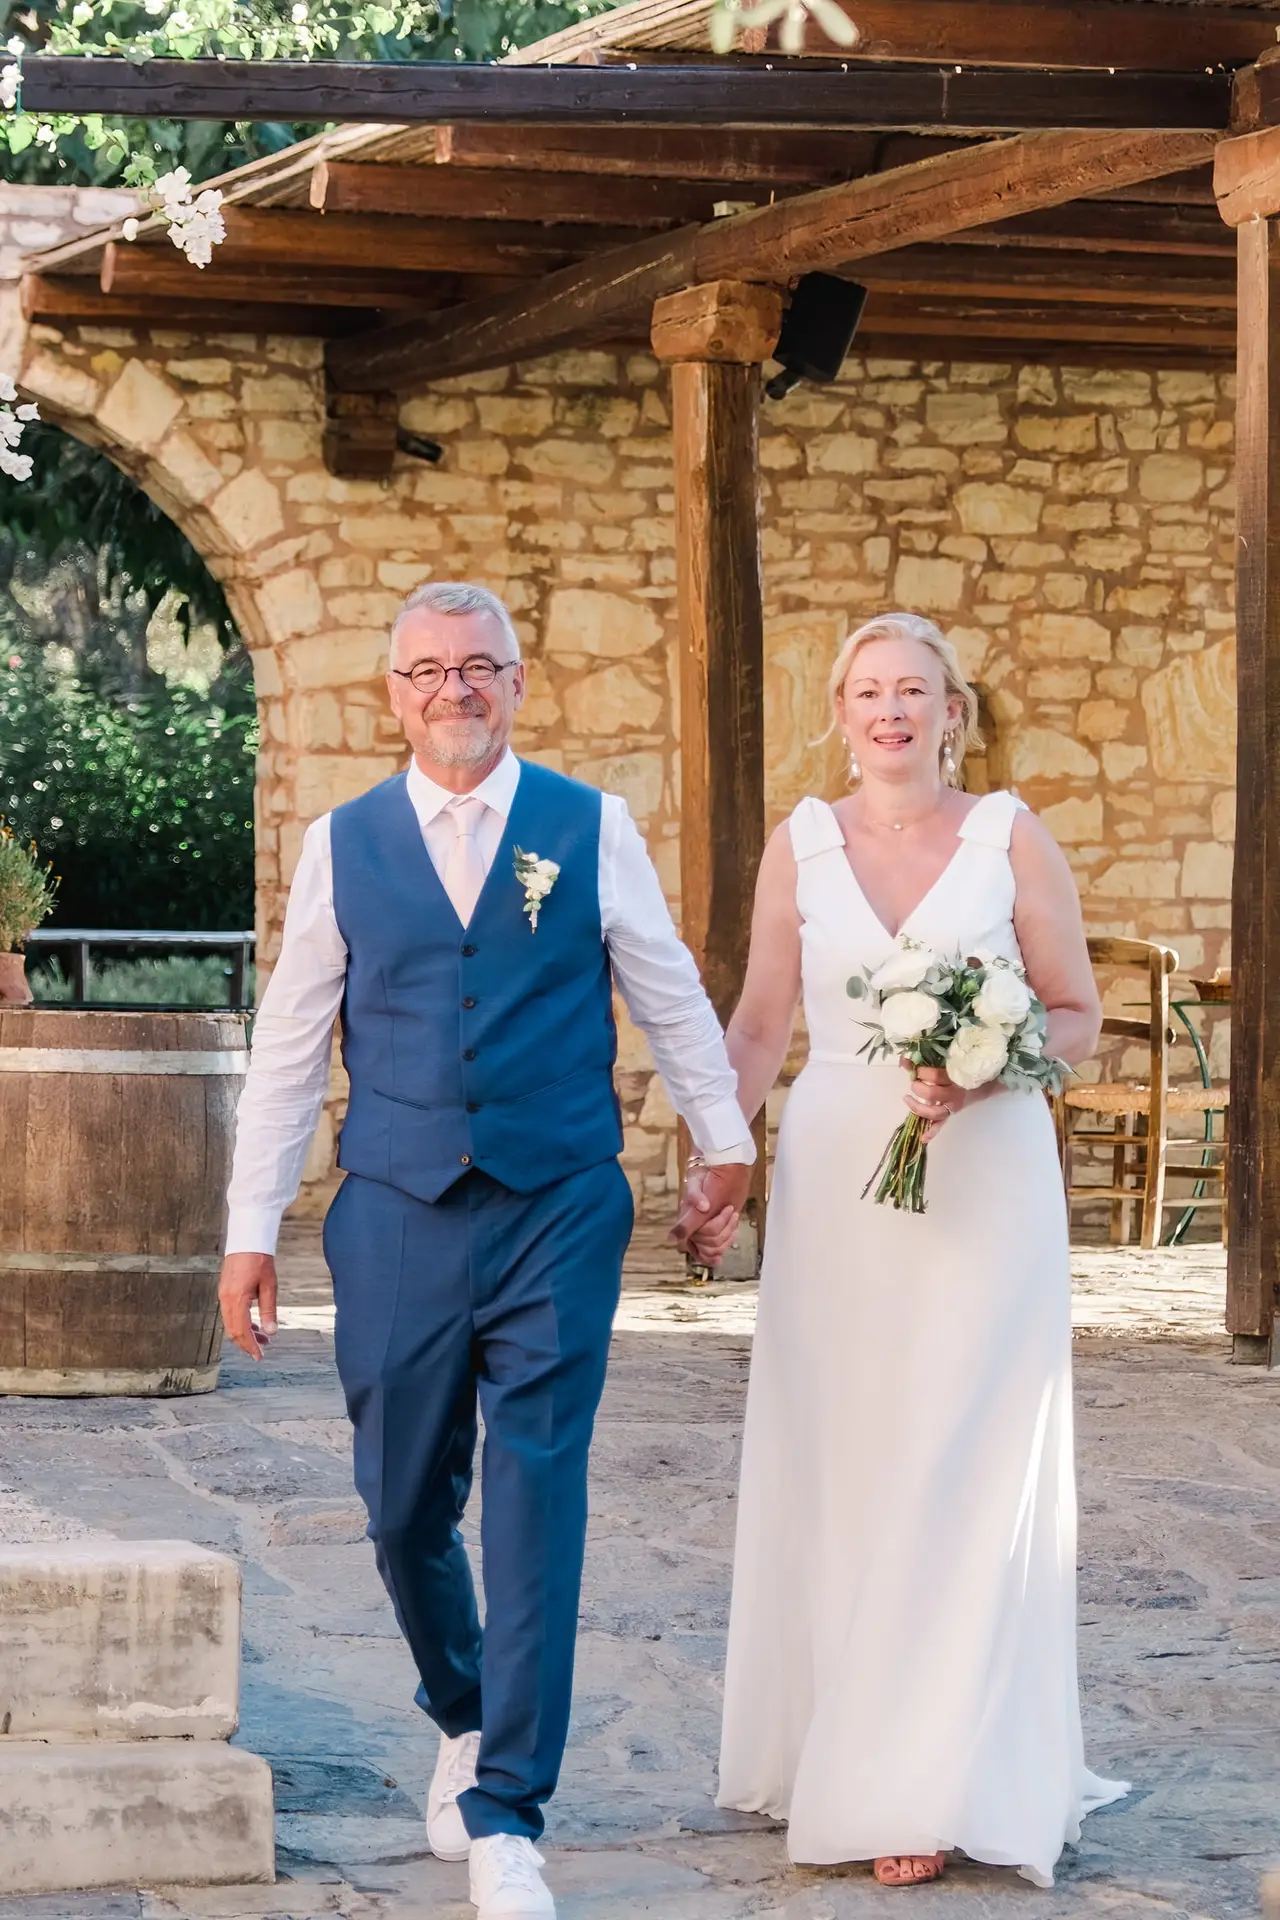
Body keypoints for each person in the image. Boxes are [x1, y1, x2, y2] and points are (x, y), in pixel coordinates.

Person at [218, 581, 751, 1920]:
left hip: (558, 1206)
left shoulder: (589, 826)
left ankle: (511, 1807)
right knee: (403, 1504)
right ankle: (461, 1708)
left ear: (517, 683)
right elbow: (288, 1049)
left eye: (480, 669)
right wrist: (247, 1231)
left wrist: (724, 1135)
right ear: (391, 694)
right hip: (392, 1206)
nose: (454, 691)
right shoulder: (343, 845)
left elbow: (667, 985)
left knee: (535, 1501)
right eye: (428, 672)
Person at [715, 611, 1128, 1889]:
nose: (889, 711)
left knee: (965, 1451)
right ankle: (848, 1739)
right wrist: (715, 1161)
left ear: (953, 710)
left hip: (988, 1185)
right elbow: (759, 1021)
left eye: (913, 691)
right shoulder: (801, 843)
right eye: (866, 692)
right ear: (838, 713)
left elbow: (1078, 1016)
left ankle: (933, 1776)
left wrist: (993, 1066)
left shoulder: (1010, 838)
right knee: (848, 1454)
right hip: (842, 1177)